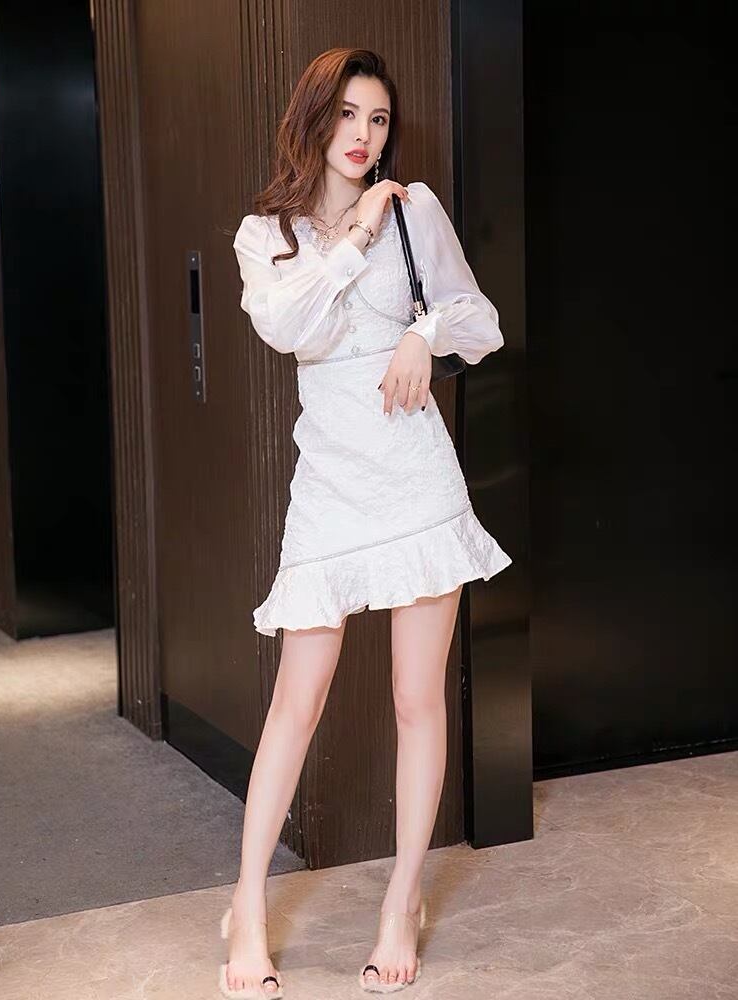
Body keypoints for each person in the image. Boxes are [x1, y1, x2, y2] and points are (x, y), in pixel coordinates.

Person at [224, 46, 511, 998]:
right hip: (332, 483)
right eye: (347, 114)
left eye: (378, 119)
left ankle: (401, 901)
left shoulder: (416, 209)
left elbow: (480, 318)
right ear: (314, 119)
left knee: (416, 697)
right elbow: (288, 329)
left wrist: (423, 336)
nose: (363, 135)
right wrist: (352, 235)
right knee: (296, 702)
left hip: (416, 476)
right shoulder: (266, 236)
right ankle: (246, 908)